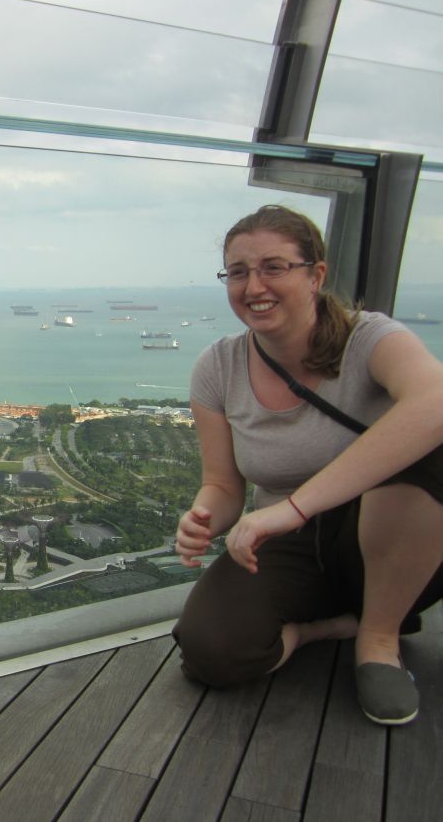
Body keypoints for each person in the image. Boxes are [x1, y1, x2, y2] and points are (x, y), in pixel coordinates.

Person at [172, 204, 443, 726]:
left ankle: (378, 639)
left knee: (431, 446)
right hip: (290, 547)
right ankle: (328, 627)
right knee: (211, 652)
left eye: (274, 267)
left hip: (391, 540)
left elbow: (436, 401)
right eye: (238, 272)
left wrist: (294, 507)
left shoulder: (369, 340)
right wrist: (202, 517)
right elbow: (222, 485)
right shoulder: (218, 367)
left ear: (315, 275)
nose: (254, 286)